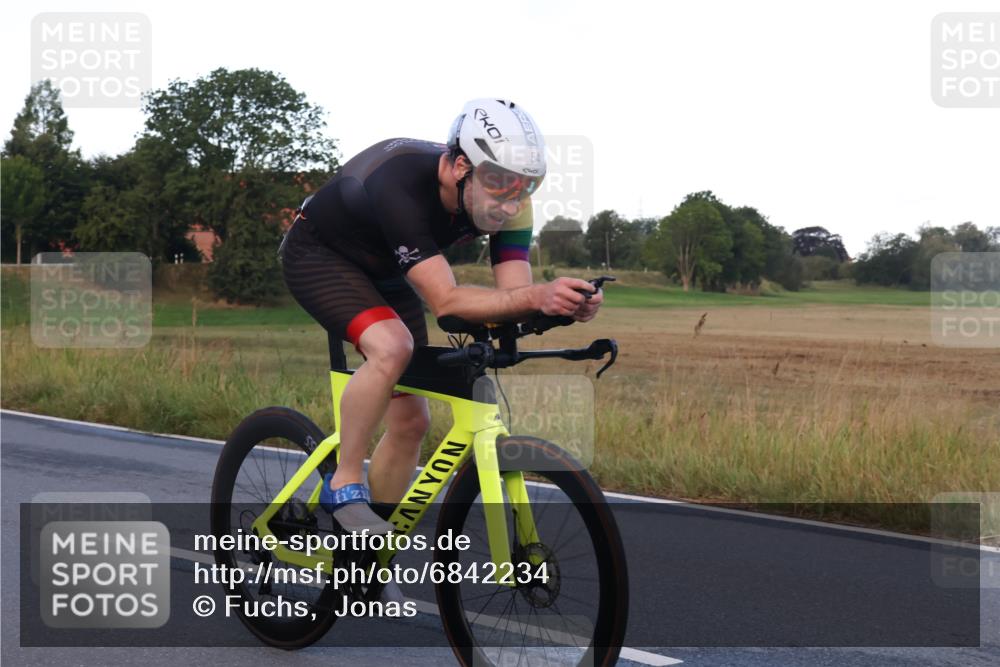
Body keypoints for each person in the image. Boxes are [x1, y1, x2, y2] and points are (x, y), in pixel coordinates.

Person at [280, 99, 603, 535]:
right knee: (392, 347)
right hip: (319, 255)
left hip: (389, 270)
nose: (510, 203)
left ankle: (369, 556)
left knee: (412, 422)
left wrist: (561, 305)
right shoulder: (400, 183)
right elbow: (447, 302)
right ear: (457, 166)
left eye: (525, 187)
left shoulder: (509, 203)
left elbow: (513, 297)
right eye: (499, 184)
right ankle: (344, 482)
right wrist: (536, 296)